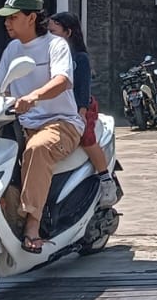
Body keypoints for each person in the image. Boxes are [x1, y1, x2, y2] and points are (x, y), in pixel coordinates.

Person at [0, 0, 84, 255]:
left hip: (60, 123)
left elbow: (62, 80)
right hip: (22, 123)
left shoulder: (56, 45)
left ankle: (32, 225)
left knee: (37, 149)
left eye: (13, 17)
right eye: (5, 18)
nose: (7, 22)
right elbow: (0, 88)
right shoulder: (12, 49)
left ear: (31, 17)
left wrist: (33, 96)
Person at [48, 11, 119, 210]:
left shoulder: (79, 58)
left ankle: (106, 180)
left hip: (80, 107)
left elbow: (83, 87)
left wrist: (81, 111)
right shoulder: (49, 55)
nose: (49, 36)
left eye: (53, 31)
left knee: (86, 139)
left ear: (67, 32)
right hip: (56, 108)